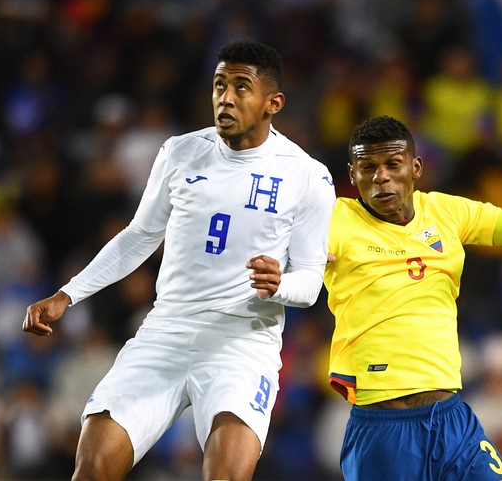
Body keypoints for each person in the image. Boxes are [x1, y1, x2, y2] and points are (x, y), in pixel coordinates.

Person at [22, 40, 335, 481]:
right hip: (165, 330)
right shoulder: (180, 152)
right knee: (92, 467)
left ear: (273, 103)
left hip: (241, 342)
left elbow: (311, 279)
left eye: (241, 87)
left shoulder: (307, 175)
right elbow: (139, 237)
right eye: (219, 85)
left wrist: (279, 284)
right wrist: (68, 294)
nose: (225, 98)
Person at [324, 115, 502, 480]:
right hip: (383, 428)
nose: (381, 177)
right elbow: (262, 250)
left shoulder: (447, 212)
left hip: (451, 421)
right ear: (353, 175)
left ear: (415, 168)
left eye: (392, 165)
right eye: (368, 168)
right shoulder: (331, 220)